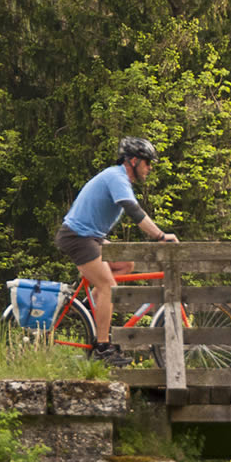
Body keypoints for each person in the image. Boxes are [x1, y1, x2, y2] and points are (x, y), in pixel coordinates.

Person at [56, 137, 178, 366]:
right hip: (78, 236)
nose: (150, 168)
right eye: (147, 163)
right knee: (108, 286)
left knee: (126, 264)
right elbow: (133, 210)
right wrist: (161, 236)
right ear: (133, 161)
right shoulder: (117, 177)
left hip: (91, 237)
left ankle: (88, 311)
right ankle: (102, 347)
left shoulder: (119, 178)